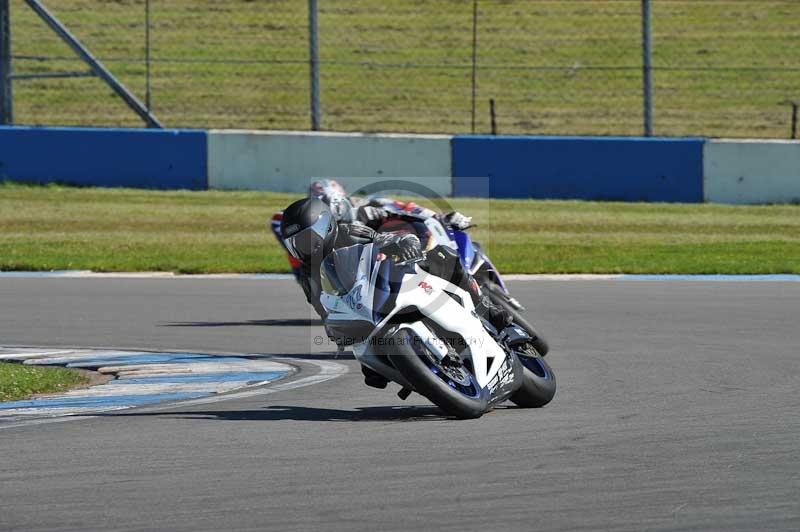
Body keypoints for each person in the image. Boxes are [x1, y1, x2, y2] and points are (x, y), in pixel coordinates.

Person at [280, 197, 512, 389]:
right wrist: (334, 331)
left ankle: (487, 310)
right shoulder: (308, 277)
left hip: (391, 281)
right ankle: (422, 374)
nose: (304, 246)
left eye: (308, 238)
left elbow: (386, 238)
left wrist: (406, 243)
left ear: (325, 226)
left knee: (443, 257)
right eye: (296, 243)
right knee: (371, 370)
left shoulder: (350, 232)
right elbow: (323, 309)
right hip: (363, 313)